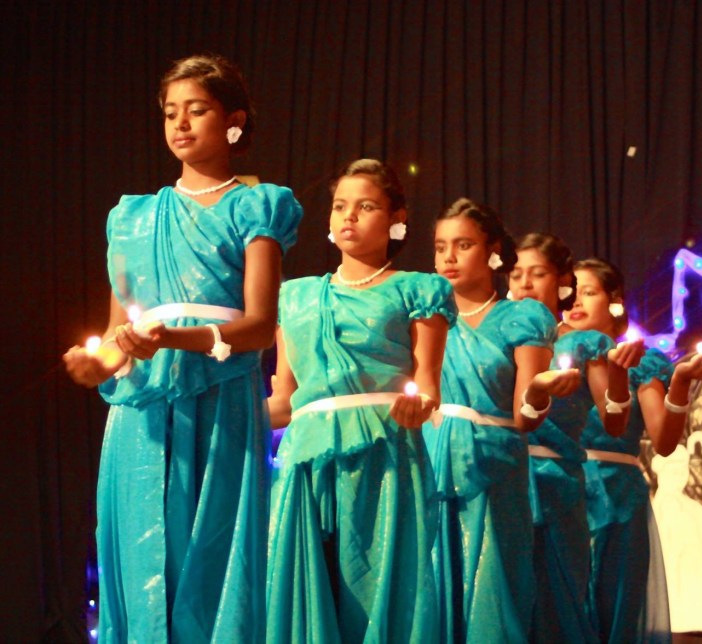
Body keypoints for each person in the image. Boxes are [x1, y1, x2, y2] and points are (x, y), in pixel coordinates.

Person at [63, 54, 303, 640]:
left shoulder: (257, 206)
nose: (180, 124)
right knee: (141, 551)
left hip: (220, 396)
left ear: (234, 121)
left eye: (197, 110)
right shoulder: (132, 218)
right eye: (171, 112)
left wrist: (176, 339)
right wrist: (98, 364)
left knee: (214, 550)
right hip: (142, 408)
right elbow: (120, 335)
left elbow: (256, 324)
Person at [266, 159, 453, 643]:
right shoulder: (296, 297)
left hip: (384, 456)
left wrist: (420, 405)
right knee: (308, 590)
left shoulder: (418, 289)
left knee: (380, 593)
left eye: (365, 206)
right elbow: (282, 400)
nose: (348, 216)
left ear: (396, 218)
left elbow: (428, 384)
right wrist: (218, 420)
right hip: (305, 460)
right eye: (339, 206)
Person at [424, 202, 572, 643]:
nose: (448, 257)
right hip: (432, 462)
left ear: (492, 252)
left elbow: (526, 417)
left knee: (495, 593)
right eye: (440, 247)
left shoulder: (523, 317)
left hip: (496, 467)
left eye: (463, 245)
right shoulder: (424, 315)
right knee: (431, 584)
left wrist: (541, 391)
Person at [567, 258, 702, 643]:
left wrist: (680, 382)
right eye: (571, 292)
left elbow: (664, 442)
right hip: (562, 490)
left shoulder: (639, 362)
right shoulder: (553, 359)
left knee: (616, 609)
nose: (576, 302)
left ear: (614, 302)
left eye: (589, 292)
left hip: (618, 495)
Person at [509, 234, 643, 642]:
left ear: (559, 281)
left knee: (558, 600)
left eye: (537, 274)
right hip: (505, 476)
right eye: (516, 275)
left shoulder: (586, 342)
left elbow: (614, 421)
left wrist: (619, 374)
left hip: (556, 481)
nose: (525, 284)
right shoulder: (500, 333)